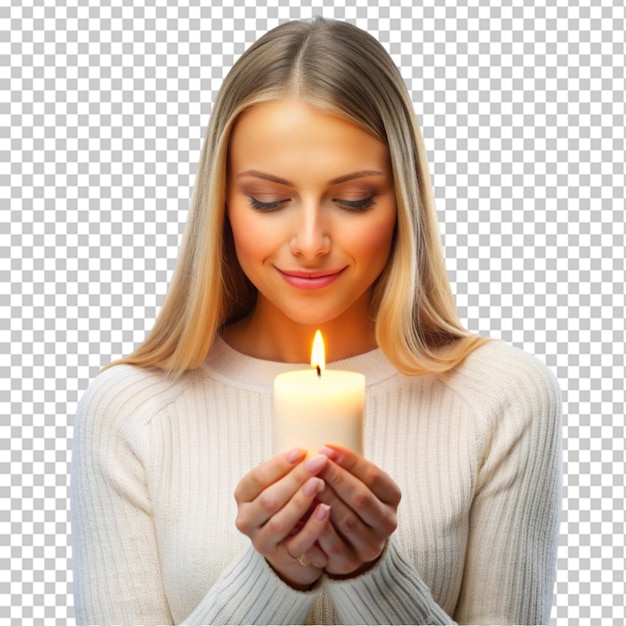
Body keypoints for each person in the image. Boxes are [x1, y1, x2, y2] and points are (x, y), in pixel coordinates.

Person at [70, 17, 562, 625]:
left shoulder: (501, 397)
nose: (309, 242)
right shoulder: (131, 409)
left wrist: (372, 578)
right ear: (221, 203)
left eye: (353, 199)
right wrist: (272, 576)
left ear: (402, 200)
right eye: (269, 201)